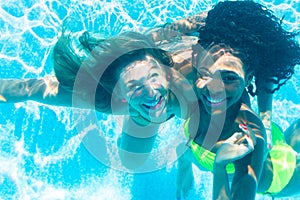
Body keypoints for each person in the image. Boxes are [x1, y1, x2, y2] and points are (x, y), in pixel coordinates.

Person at [0, 30, 199, 170]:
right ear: (119, 95)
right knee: (131, 161)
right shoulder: (103, 97)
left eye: (153, 77)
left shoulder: (196, 77)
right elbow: (28, 90)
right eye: (135, 87)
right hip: (140, 113)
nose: (150, 92)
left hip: (176, 81)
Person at [175, 1, 300, 199]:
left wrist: (220, 167)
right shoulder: (198, 87)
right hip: (268, 140)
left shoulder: (247, 138)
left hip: (284, 173)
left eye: (229, 77)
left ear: (248, 78)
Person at [148, 0, 300, 150]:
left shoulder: (260, 46)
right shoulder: (206, 23)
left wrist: (266, 123)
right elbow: (156, 35)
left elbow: (267, 74)